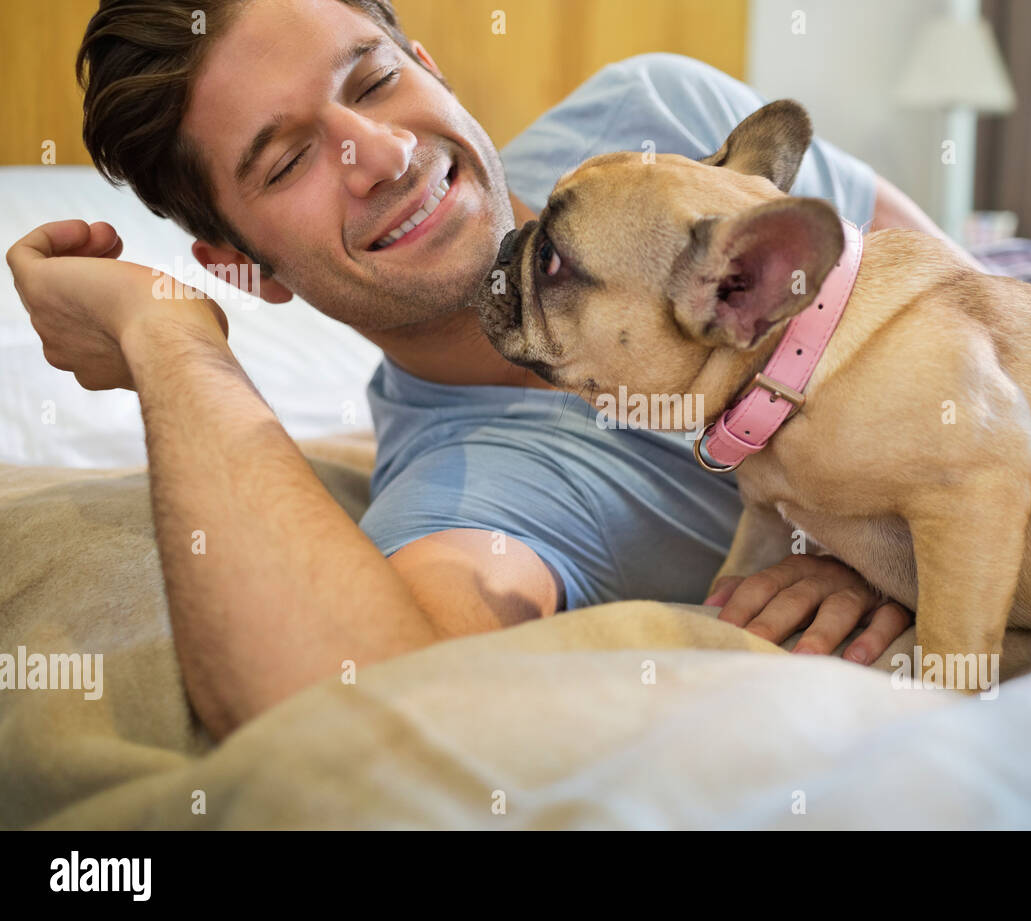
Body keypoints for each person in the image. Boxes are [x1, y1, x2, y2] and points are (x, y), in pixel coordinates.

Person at [8, 0, 969, 739]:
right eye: (289, 159)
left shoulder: (659, 114)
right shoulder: (473, 497)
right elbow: (345, 723)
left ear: (430, 69)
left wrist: (873, 546)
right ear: (242, 267)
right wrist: (171, 339)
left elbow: (982, 323)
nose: (380, 153)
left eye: (374, 81)